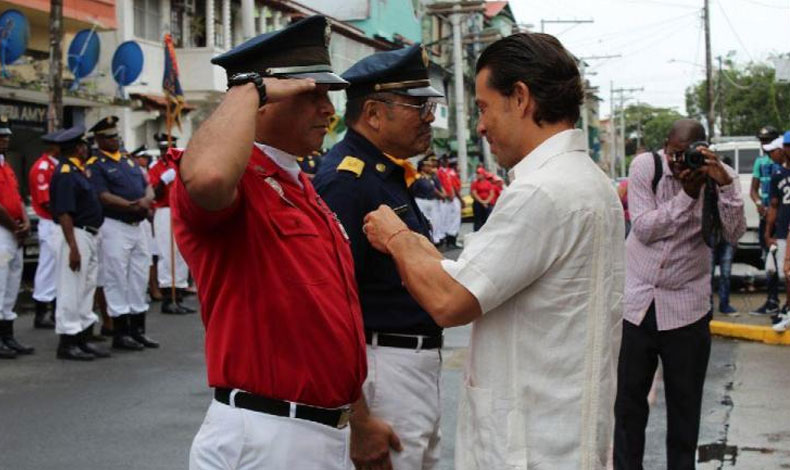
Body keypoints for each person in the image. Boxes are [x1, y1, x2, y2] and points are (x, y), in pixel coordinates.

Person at [362, 32, 624, 469]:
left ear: (520, 98)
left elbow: (450, 301)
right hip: (562, 439)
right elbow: (471, 274)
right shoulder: (589, 182)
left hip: (530, 449)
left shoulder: (541, 192)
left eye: (484, 107)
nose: (480, 125)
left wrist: (397, 239)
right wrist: (422, 250)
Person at [171, 16, 366, 469]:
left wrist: (361, 415)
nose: (328, 110)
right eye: (309, 95)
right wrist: (248, 88)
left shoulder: (300, 184)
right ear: (263, 101)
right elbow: (210, 176)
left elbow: (325, 324)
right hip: (266, 434)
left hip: (319, 430)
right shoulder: (240, 182)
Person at [313, 44, 445, 470]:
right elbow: (329, 304)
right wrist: (359, 417)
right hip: (381, 371)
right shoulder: (348, 181)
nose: (429, 118)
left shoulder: (382, 173)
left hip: (409, 367)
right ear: (373, 113)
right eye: (417, 106)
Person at [614, 120, 745, 469]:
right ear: (664, 146)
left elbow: (732, 234)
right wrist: (687, 197)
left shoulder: (719, 175)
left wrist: (726, 186)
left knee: (685, 412)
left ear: (702, 149)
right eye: (673, 153)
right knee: (628, 409)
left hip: (687, 308)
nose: (678, 162)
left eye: (685, 154)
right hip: (638, 304)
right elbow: (643, 228)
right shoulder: (647, 166)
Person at [88, 116, 158, 351]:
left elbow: (146, 183)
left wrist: (147, 199)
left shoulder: (127, 160)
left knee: (139, 275)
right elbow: (102, 196)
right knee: (116, 277)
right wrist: (130, 206)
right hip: (115, 225)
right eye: (108, 137)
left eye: (115, 136)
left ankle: (138, 329)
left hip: (137, 226)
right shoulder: (96, 164)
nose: (114, 140)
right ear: (98, 140)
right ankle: (120, 331)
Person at [48, 125, 111, 361]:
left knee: (86, 287)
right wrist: (73, 247)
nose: (87, 149)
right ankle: (68, 341)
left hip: (89, 234)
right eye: (84, 146)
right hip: (74, 234)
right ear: (78, 148)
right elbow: (64, 212)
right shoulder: (65, 173)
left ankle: (83, 336)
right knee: (71, 288)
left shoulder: (77, 170)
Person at [0, 115, 35, 359]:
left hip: (14, 230)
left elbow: (16, 197)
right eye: (1, 136)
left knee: (11, 286)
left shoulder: (6, 166)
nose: (5, 140)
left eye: (6, 136)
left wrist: (25, 221)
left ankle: (7, 336)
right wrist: (14, 226)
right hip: (3, 231)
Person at [148, 133, 194, 314]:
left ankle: (179, 294)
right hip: (165, 211)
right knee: (167, 253)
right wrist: (162, 181)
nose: (166, 152)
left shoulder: (182, 164)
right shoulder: (156, 168)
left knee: (181, 253)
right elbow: (154, 194)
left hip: (181, 210)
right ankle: (168, 297)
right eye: (163, 149)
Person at [28, 135, 61, 329]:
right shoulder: (43, 167)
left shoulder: (55, 166)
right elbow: (45, 200)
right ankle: (41, 312)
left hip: (59, 222)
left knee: (58, 268)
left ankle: (55, 309)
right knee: (47, 267)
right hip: (50, 222)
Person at [751, 125, 783, 315]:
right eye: (762, 141)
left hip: (782, 217)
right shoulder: (759, 161)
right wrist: (757, 203)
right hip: (766, 218)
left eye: (768, 141)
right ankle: (772, 300)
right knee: (769, 260)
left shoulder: (782, 161)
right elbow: (753, 190)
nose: (764, 145)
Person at [761, 136, 790, 323]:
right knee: (785, 273)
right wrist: (768, 232)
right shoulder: (778, 174)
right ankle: (787, 307)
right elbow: (773, 205)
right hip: (782, 230)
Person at [710, 155, 739, 316]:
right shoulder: (708, 186)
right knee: (709, 274)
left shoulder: (731, 186)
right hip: (712, 234)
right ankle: (709, 308)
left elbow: (736, 211)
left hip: (726, 234)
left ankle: (724, 304)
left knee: (725, 273)